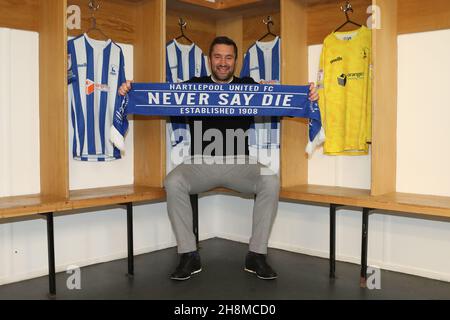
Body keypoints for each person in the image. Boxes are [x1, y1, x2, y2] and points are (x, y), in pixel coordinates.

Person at [118, 36, 319, 281]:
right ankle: (189, 255)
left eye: (228, 57)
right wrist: (131, 90)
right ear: (209, 60)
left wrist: (307, 96)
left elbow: (281, 100)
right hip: (200, 162)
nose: (223, 62)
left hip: (240, 162)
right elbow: (159, 94)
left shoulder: (248, 85)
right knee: (173, 181)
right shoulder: (193, 85)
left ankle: (256, 255)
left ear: (235, 61)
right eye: (217, 57)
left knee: (270, 180)